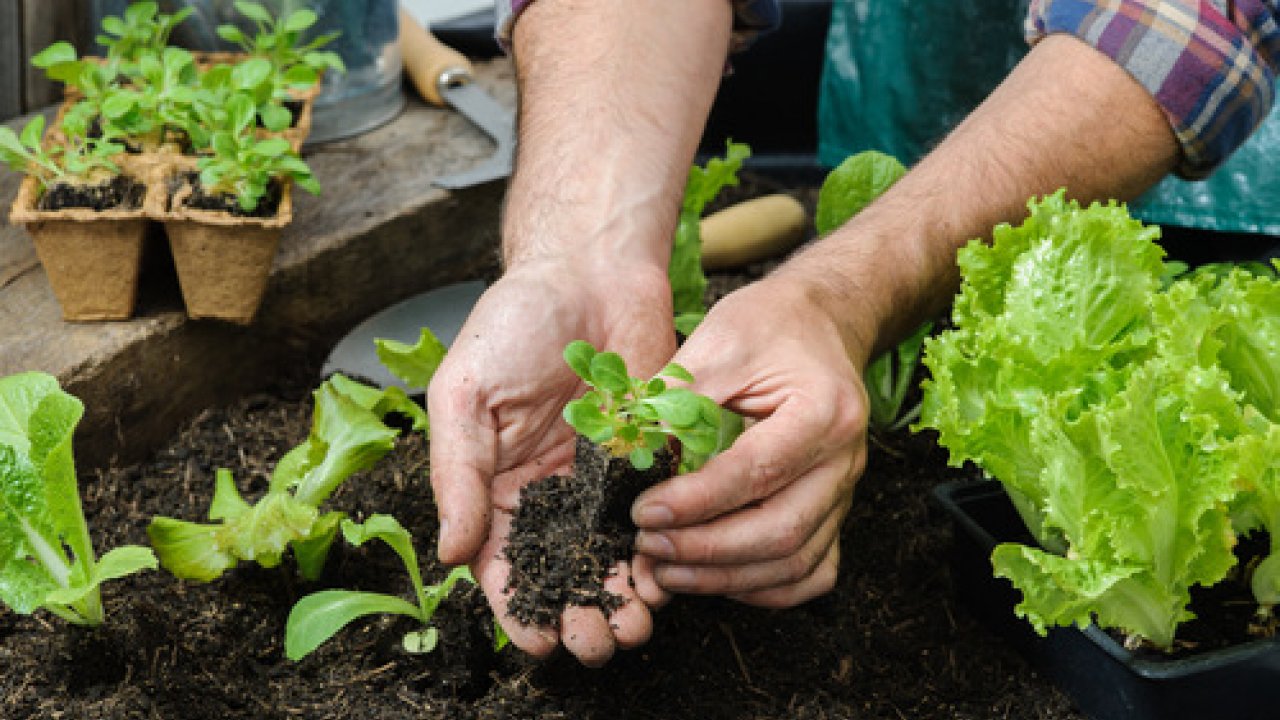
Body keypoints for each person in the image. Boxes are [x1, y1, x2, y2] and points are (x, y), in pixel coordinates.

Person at [425, 0, 1280, 667]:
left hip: (1218, 184)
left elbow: (1181, 29)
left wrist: (841, 295)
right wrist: (581, 251)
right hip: (918, 129)